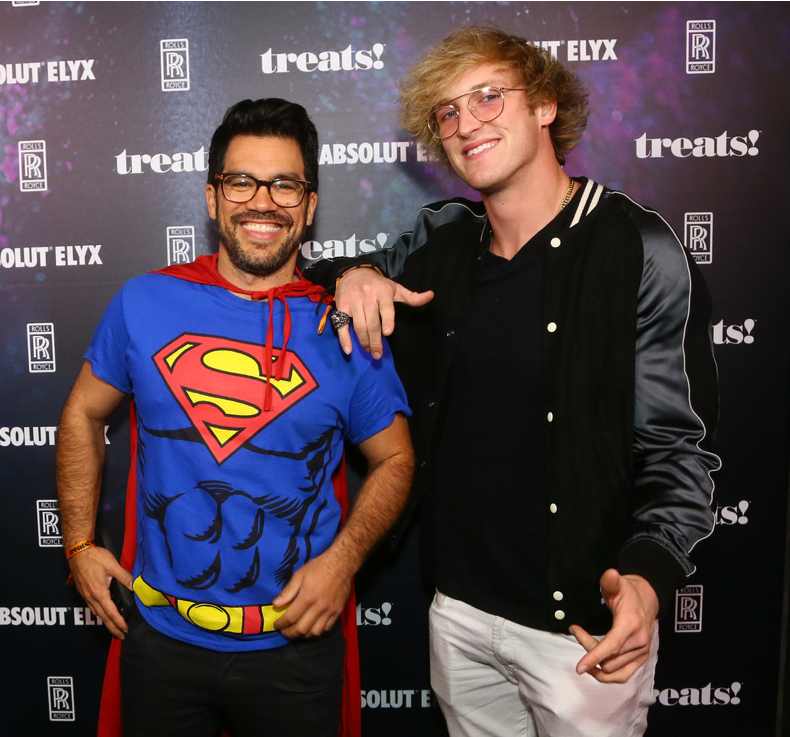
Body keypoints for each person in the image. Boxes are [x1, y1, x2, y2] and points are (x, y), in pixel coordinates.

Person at [307, 26, 720, 737]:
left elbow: (680, 451)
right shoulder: (439, 241)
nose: (467, 123)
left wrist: (648, 583)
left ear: (546, 105)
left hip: (583, 639)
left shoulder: (637, 247)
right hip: (460, 615)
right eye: (448, 112)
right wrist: (353, 274)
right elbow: (320, 281)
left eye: (489, 96)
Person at [56, 98, 413, 737]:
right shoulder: (145, 302)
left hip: (295, 651)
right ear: (213, 197)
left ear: (308, 204)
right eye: (241, 181)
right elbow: (82, 413)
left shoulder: (346, 328)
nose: (262, 202)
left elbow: (396, 459)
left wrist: (342, 561)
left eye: (285, 184)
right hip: (162, 643)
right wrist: (79, 543)